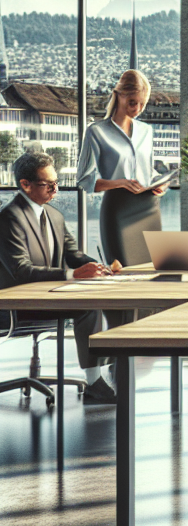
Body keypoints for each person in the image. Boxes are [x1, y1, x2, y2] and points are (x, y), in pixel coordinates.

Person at [0, 151, 117, 403]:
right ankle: (94, 381)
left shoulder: (54, 216)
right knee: (89, 307)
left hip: (49, 298)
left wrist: (101, 268)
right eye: (48, 184)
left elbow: (74, 255)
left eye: (57, 182)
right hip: (16, 306)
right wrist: (72, 275)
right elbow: (21, 270)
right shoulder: (9, 218)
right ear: (25, 184)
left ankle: (106, 370)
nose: (56, 189)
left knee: (104, 300)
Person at [76, 69, 166, 267]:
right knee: (122, 269)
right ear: (118, 95)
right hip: (118, 209)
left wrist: (160, 183)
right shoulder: (96, 132)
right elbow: (84, 180)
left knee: (152, 268)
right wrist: (120, 183)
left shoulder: (146, 131)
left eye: (142, 104)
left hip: (148, 208)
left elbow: (148, 172)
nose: (138, 109)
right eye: (133, 102)